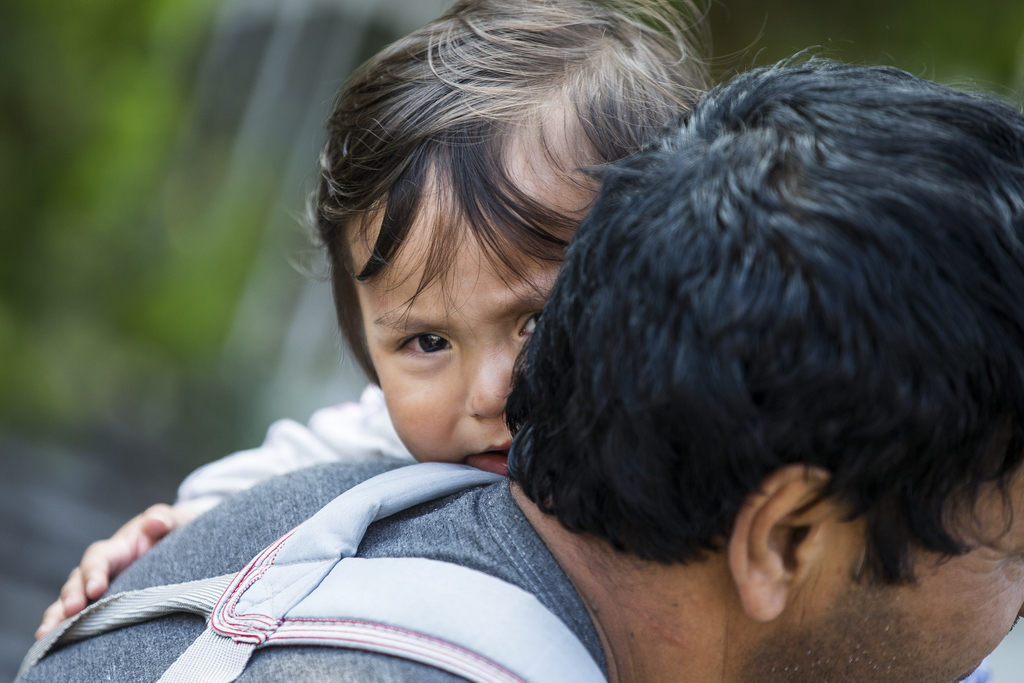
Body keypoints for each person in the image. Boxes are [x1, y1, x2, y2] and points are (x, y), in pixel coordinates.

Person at [21, 60, 1024, 682]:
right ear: (787, 534)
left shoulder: (318, 527)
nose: (494, 389)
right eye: (1009, 553)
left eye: (534, 319)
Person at [35, 0, 710, 638]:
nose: (490, 392)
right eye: (428, 341)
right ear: (366, 346)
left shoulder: (711, 439)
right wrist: (170, 530)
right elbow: (266, 480)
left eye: (537, 320)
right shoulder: (381, 436)